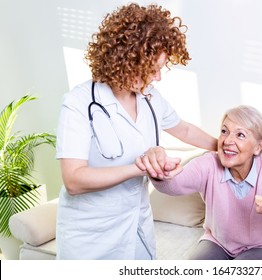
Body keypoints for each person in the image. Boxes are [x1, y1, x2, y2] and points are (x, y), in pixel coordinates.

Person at [55, 3, 217, 260]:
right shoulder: (79, 102)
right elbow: (74, 180)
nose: (158, 78)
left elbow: (184, 129)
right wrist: (141, 167)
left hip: (137, 224)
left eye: (161, 69)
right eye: (152, 69)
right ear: (126, 60)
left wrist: (224, 145)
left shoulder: (150, 96)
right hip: (90, 236)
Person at [147, 105, 262, 260]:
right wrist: (161, 172)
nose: (227, 141)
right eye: (224, 131)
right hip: (219, 243)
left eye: (240, 135)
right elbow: (175, 185)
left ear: (259, 146)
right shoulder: (209, 163)